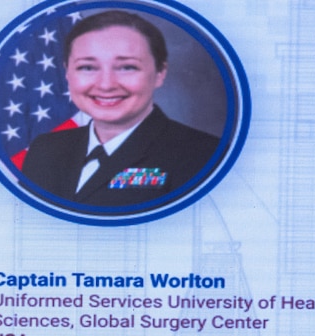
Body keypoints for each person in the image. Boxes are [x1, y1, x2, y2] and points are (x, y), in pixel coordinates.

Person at [19, 10, 222, 210]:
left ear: (160, 73)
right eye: (87, 67)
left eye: (127, 67)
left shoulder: (204, 156)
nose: (106, 85)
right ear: (67, 73)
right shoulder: (44, 149)